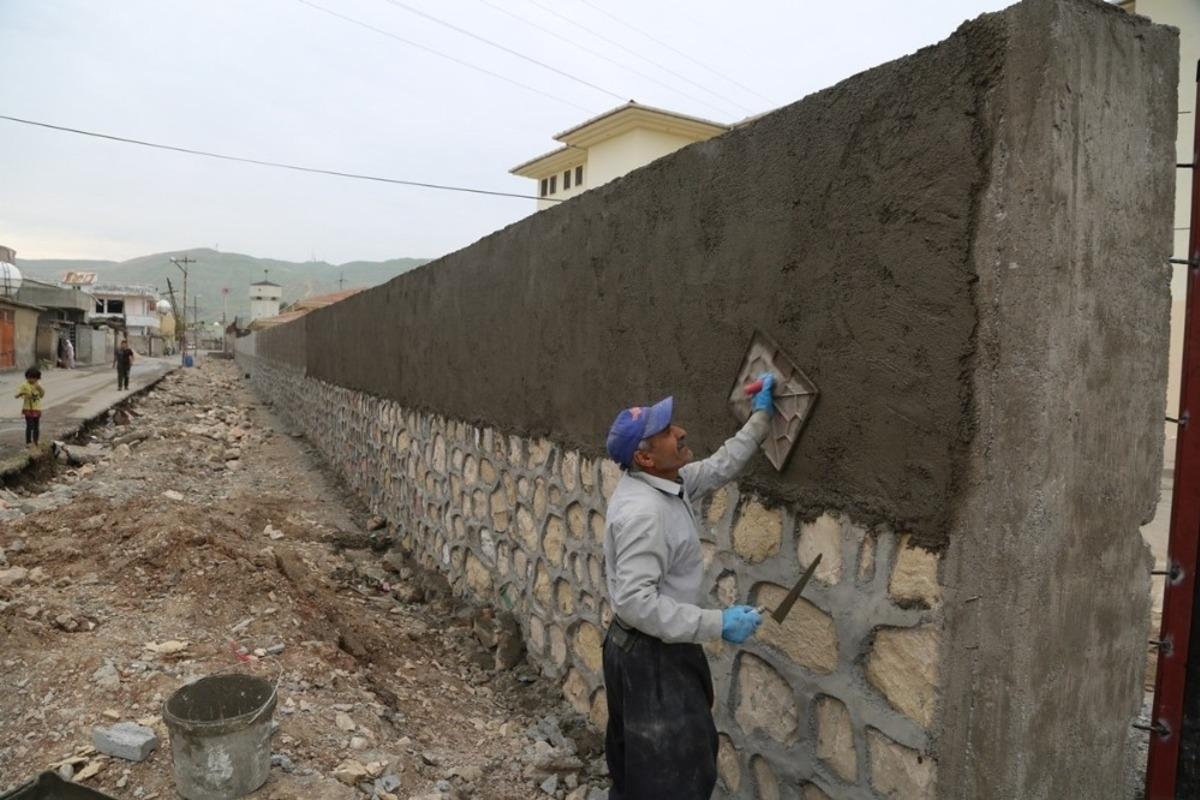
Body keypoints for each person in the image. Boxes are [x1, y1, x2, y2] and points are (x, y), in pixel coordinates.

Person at [601, 374, 776, 800]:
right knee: (676, 777)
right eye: (664, 433)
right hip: (651, 658)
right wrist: (718, 623)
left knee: (639, 773)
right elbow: (636, 604)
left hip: (641, 651)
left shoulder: (664, 484)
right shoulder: (646, 514)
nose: (679, 432)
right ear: (645, 457)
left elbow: (717, 467)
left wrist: (761, 419)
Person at [15, 367, 45, 449]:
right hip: (28, 409)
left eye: (34, 378)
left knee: (36, 426)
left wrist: (39, 388)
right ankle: (28, 442)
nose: (31, 380)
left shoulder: (38, 386)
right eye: (29, 378)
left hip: (37, 409)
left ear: (37, 378)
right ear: (27, 377)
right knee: (29, 426)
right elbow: (16, 395)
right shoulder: (24, 385)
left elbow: (42, 395)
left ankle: (36, 441)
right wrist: (21, 394)